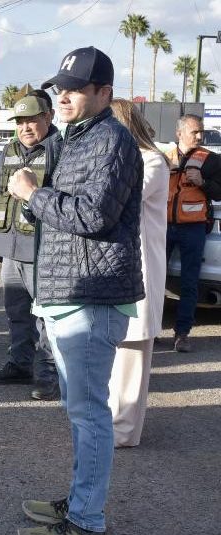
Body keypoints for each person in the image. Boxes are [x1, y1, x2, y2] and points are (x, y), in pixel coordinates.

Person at [9, 46, 144, 535]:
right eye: (60, 87)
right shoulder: (77, 137)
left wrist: (32, 195)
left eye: (75, 88)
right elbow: (68, 213)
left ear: (103, 93)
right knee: (79, 411)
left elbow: (92, 216)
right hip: (68, 292)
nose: (62, 96)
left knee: (89, 415)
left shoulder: (111, 141)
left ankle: (87, 526)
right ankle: (79, 502)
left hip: (92, 295)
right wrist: (34, 201)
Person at [0, 91, 62, 401]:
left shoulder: (60, 149)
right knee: (16, 311)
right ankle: (20, 365)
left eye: (32, 120)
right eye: (20, 121)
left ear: (48, 117)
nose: (25, 127)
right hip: (11, 246)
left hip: (41, 248)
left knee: (45, 316)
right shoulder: (10, 149)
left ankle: (47, 377)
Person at [107, 99, 169, 448]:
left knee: (132, 354)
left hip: (142, 267)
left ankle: (124, 432)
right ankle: (108, 424)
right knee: (112, 353)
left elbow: (119, 198)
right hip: (117, 268)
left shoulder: (152, 161)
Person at [164, 114, 221, 352]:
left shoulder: (211, 160)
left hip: (193, 228)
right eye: (194, 132)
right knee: (154, 281)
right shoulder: (163, 157)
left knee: (189, 283)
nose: (199, 136)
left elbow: (219, 192)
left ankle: (182, 334)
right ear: (179, 133)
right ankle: (151, 330)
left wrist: (203, 182)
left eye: (201, 132)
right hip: (162, 226)